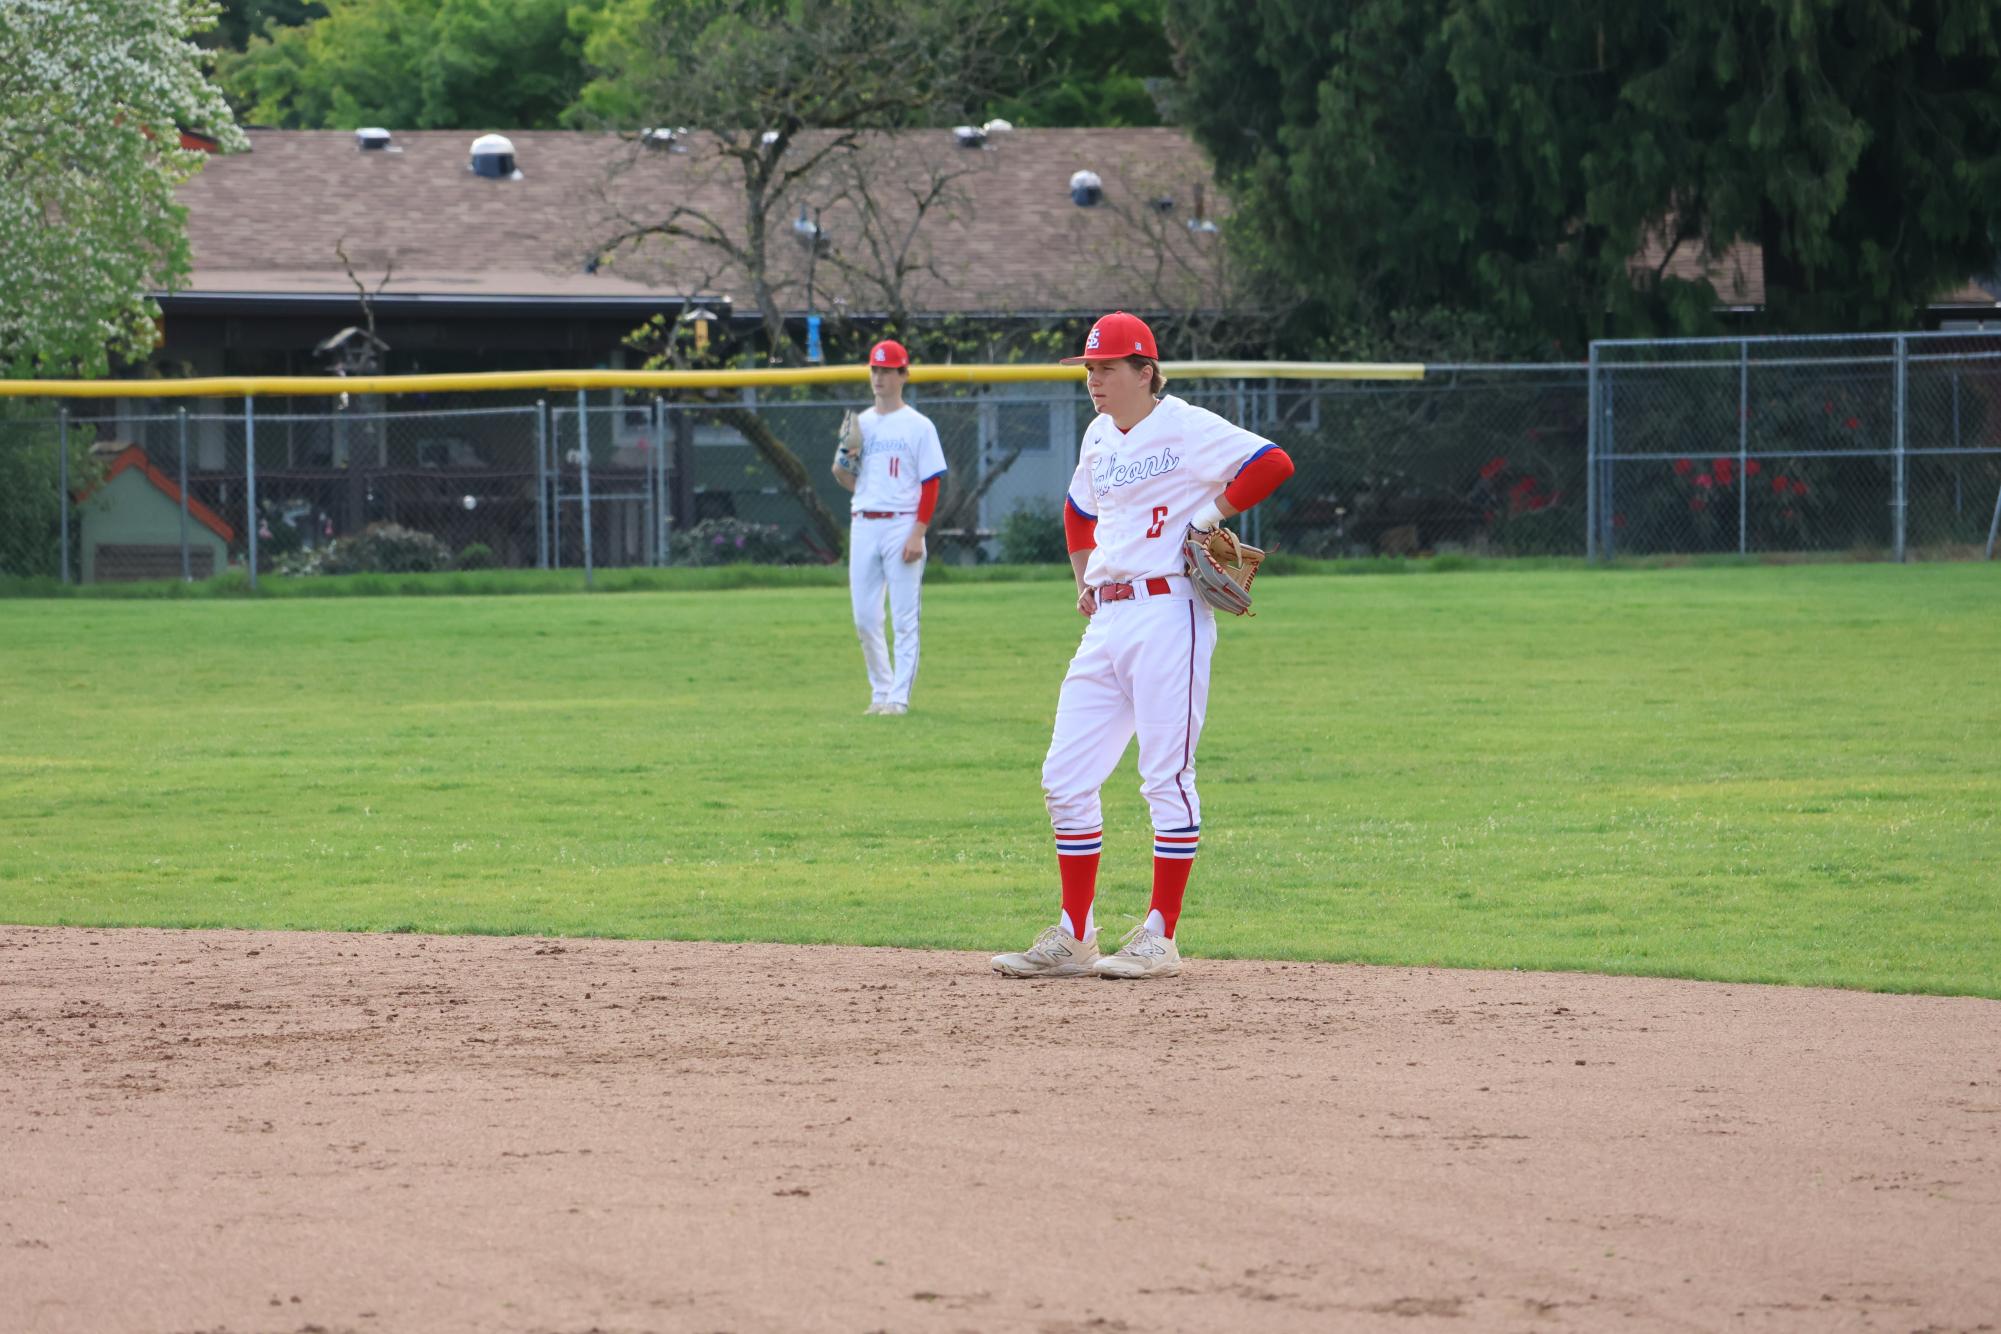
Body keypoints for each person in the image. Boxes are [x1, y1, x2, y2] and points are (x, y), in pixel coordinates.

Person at [992, 312, 1294, 979]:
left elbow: (1272, 461)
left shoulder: (1184, 425)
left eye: (1107, 368)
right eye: (1089, 369)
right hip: (1108, 617)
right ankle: (1075, 937)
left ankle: (1160, 935)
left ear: (1144, 371)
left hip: (1170, 613)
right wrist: (1082, 578)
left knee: (1166, 776)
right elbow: (1077, 508)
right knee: (1064, 778)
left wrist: (1208, 516)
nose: (1094, 381)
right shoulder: (1099, 435)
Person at [830, 339, 947, 716]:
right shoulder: (859, 423)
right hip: (863, 521)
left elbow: (931, 482)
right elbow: (846, 478)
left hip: (901, 524)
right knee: (864, 618)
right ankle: (880, 691)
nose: (879, 376)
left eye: (887, 370)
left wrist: (919, 531)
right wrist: (845, 459)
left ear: (903, 374)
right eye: (875, 369)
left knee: (904, 617)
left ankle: (898, 697)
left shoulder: (919, 426)